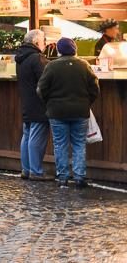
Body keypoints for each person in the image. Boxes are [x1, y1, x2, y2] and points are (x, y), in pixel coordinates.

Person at [37, 38, 99, 188]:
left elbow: (40, 89)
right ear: (74, 49)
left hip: (57, 112)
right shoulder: (84, 65)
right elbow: (95, 88)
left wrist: (49, 103)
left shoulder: (51, 66)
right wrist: (86, 102)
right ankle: (79, 178)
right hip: (80, 111)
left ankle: (63, 178)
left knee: (60, 145)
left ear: (59, 50)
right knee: (79, 144)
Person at [15, 29, 51, 181]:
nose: (45, 43)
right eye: (44, 40)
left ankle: (26, 169)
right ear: (36, 42)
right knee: (36, 137)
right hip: (39, 104)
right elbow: (45, 81)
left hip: (27, 102)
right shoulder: (37, 58)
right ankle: (36, 171)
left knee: (27, 136)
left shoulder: (21, 57)